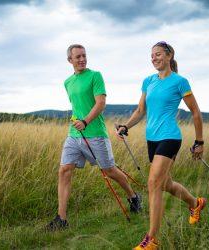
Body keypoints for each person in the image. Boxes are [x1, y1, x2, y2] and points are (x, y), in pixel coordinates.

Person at [116, 41, 206, 249]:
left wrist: (199, 141)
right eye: (152, 55)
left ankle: (152, 240)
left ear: (169, 55)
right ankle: (195, 203)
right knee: (165, 184)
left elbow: (195, 112)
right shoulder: (148, 81)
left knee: (153, 183)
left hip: (170, 137)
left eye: (158, 54)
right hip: (152, 139)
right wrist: (126, 126)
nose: (154, 58)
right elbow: (140, 111)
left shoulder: (180, 82)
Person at [45, 44, 142, 231]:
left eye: (84, 56)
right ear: (70, 60)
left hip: (95, 133)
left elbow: (101, 103)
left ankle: (133, 197)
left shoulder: (95, 76)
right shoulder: (67, 82)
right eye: (78, 57)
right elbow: (77, 106)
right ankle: (61, 219)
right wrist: (77, 120)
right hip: (74, 134)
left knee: (110, 171)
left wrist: (86, 121)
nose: (82, 59)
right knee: (64, 170)